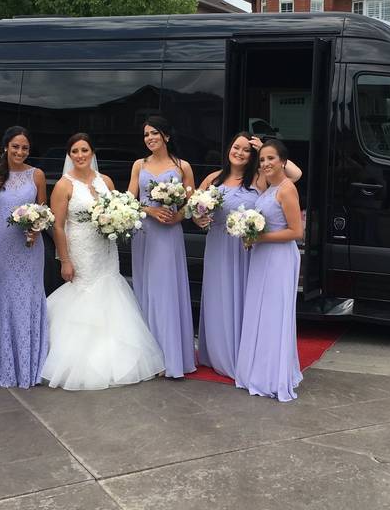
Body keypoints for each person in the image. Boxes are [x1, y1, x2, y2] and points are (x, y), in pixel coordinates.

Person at [41, 133, 164, 389]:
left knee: (111, 294)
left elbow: (117, 209)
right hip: (81, 249)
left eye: (84, 150)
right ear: (69, 155)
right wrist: (64, 260)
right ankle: (79, 364)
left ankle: (115, 360)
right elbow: (59, 227)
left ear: (92, 153)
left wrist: (119, 222)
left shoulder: (105, 180)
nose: (80, 155)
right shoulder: (64, 185)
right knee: (84, 296)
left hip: (106, 249)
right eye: (74, 151)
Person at [193, 133, 302, 379]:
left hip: (246, 247)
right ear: (228, 149)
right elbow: (195, 207)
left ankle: (243, 355)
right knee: (218, 296)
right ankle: (217, 354)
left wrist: (265, 148)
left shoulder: (259, 178)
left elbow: (294, 175)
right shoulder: (213, 178)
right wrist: (198, 218)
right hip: (218, 245)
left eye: (245, 150)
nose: (239, 153)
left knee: (243, 298)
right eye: (236, 147)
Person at [235, 139, 304, 402]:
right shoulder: (269, 187)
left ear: (283, 162)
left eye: (271, 158)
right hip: (262, 257)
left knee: (274, 314)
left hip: (278, 258)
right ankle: (259, 370)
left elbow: (297, 232)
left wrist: (260, 238)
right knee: (260, 312)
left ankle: (274, 375)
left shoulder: (286, 189)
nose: (265, 164)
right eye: (262, 159)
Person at [128, 116, 196, 378]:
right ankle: (149, 357)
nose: (150, 138)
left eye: (155, 133)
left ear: (166, 136)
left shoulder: (182, 167)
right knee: (146, 289)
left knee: (166, 290)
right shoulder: (139, 165)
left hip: (169, 234)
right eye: (146, 134)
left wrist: (177, 216)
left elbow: (192, 204)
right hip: (145, 231)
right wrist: (151, 211)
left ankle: (170, 357)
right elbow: (130, 200)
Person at [0, 126, 49, 388]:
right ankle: (5, 363)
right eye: (15, 147)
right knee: (5, 298)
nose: (20, 152)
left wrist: (36, 229)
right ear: (6, 147)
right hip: (0, 246)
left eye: (25, 148)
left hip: (30, 247)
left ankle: (31, 363)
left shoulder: (37, 175)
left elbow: (43, 212)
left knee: (29, 297)